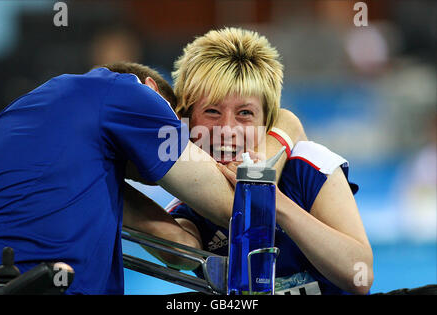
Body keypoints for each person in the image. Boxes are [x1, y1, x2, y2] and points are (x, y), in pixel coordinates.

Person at [130, 27, 374, 295]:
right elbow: (179, 254)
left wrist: (273, 200)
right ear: (187, 121)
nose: (227, 129)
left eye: (245, 113)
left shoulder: (308, 165)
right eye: (212, 111)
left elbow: (358, 276)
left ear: (266, 122)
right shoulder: (191, 204)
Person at [0, 62, 246, 294]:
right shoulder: (130, 93)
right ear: (152, 90)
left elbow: (183, 252)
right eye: (176, 128)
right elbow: (236, 209)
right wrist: (283, 126)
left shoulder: (32, 117)